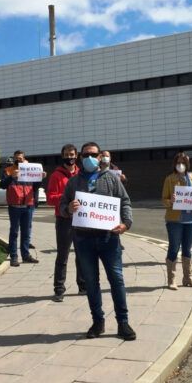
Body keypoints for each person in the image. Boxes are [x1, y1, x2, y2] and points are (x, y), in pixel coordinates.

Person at [60, 142, 136, 341]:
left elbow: (125, 201)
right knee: (91, 283)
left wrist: (126, 223)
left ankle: (123, 322)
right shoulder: (73, 182)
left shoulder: (111, 179)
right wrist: (68, 208)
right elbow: (61, 207)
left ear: (100, 157)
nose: (89, 158)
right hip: (83, 239)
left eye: (93, 154)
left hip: (109, 238)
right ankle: (98, 321)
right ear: (80, 158)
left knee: (116, 279)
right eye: (85, 155)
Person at [161, 152, 192, 289]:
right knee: (174, 248)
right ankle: (171, 280)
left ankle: (187, 278)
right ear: (175, 164)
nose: (181, 165)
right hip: (174, 220)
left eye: (183, 162)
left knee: (187, 249)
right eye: (178, 162)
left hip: (191, 220)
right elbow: (164, 199)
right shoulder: (170, 179)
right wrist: (171, 201)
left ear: (187, 164)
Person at [47, 144, 85, 301]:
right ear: (62, 156)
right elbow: (50, 198)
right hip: (64, 220)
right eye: (67, 155)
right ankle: (59, 289)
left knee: (82, 255)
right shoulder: (56, 175)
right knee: (63, 256)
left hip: (81, 220)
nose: (70, 157)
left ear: (76, 156)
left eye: (72, 154)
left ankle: (83, 286)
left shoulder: (81, 173)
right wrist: (66, 197)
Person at [0, 150, 43, 267]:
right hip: (14, 206)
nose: (18, 160)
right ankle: (14, 256)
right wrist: (11, 177)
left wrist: (41, 178)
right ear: (14, 159)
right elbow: (2, 185)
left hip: (28, 205)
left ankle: (26, 255)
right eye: (16, 158)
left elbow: (35, 188)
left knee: (26, 232)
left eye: (20, 158)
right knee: (14, 232)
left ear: (24, 159)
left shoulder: (29, 170)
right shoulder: (8, 170)